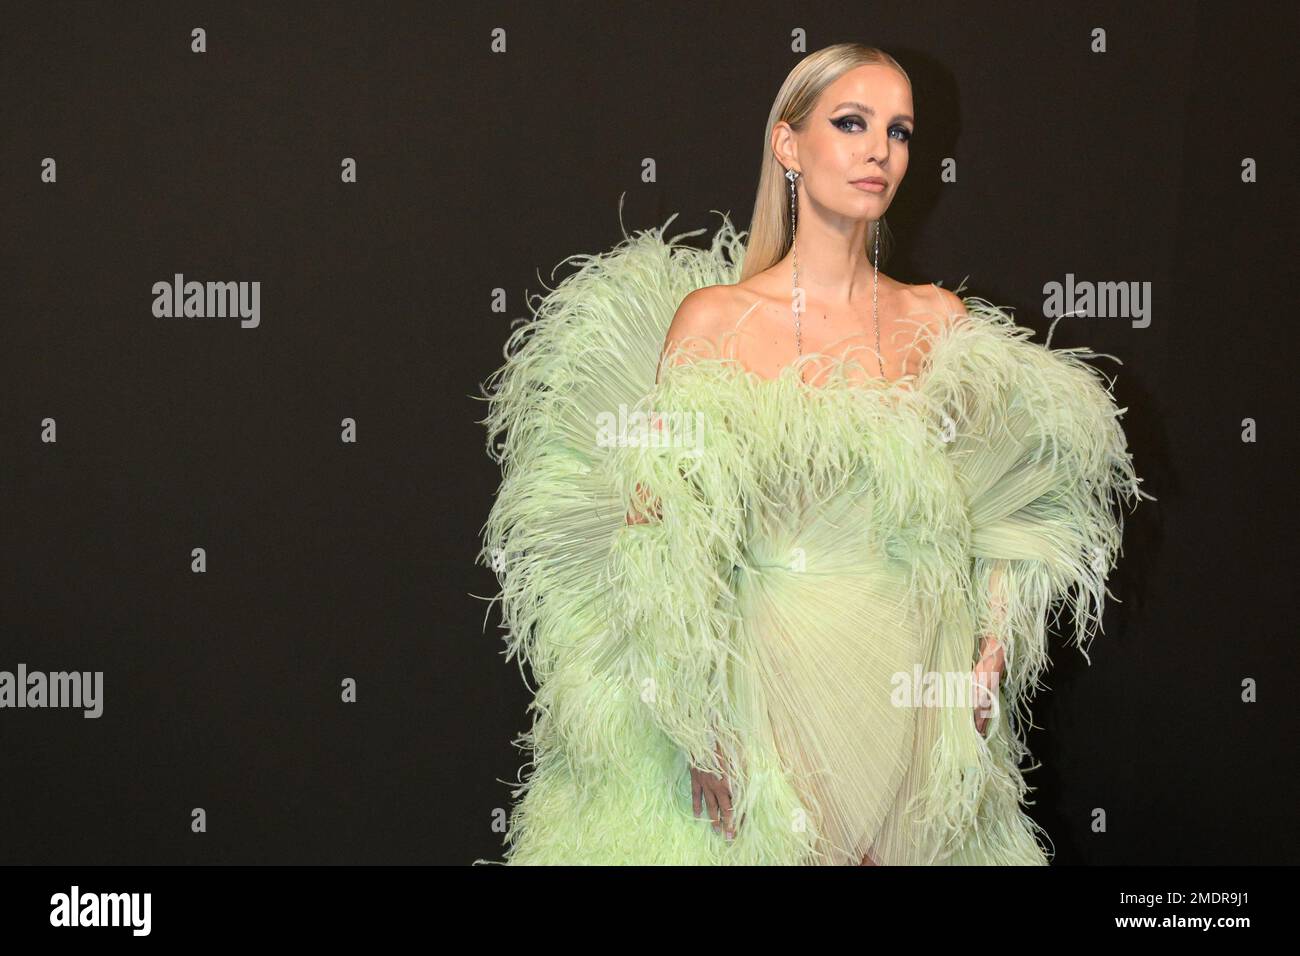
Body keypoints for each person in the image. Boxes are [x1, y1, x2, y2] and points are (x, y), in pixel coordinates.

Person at [474, 42, 1152, 865]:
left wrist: (992, 652)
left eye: (900, 132)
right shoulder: (713, 322)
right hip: (769, 685)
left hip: (913, 682)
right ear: (788, 146)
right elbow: (654, 537)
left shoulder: (940, 322)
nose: (881, 151)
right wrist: (696, 716)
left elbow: (1007, 505)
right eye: (852, 123)